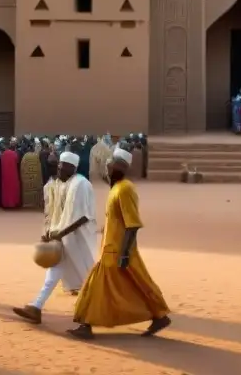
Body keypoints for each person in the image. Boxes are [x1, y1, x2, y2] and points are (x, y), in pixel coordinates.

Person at [68, 146, 171, 340]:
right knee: (135, 285)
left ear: (121, 167)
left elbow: (132, 225)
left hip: (118, 251)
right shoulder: (116, 188)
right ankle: (159, 316)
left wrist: (124, 253)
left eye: (111, 165)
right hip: (111, 248)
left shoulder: (125, 189)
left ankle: (86, 326)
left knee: (95, 287)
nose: (107, 168)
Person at [13, 151, 98, 324]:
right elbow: (53, 212)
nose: (59, 168)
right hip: (62, 239)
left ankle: (106, 309)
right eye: (58, 165)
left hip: (78, 239)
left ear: (73, 168)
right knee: (54, 274)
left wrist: (61, 234)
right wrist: (49, 232)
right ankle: (36, 307)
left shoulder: (81, 184)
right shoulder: (57, 184)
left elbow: (83, 216)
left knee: (88, 276)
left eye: (63, 166)